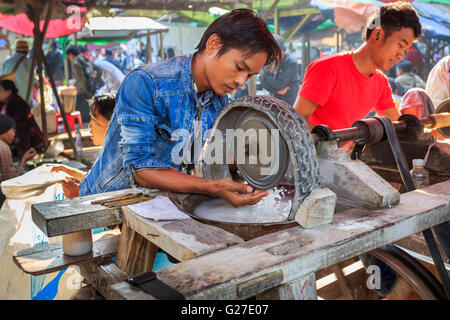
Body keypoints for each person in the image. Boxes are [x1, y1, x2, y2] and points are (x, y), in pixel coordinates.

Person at [78, 9, 282, 208]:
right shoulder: (146, 83)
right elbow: (141, 169)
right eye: (239, 67)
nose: (241, 81)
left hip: (156, 205)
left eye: (250, 76)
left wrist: (250, 160)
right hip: (103, 205)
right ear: (213, 45)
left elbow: (207, 159)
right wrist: (213, 187)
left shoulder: (218, 101)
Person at [294, 1, 422, 153]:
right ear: (377, 34)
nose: (401, 56)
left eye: (406, 50)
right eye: (400, 45)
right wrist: (331, 143)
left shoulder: (380, 83)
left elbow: (396, 126)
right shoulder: (328, 68)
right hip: (311, 159)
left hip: (342, 160)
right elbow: (296, 120)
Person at [50, 93, 116, 197]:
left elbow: (112, 203)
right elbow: (94, 179)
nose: (89, 126)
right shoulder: (108, 155)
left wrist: (76, 196)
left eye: (95, 121)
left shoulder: (121, 163)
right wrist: (67, 170)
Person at [0, 80, 45, 156]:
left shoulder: (18, 103)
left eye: (0, 91)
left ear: (9, 92)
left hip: (24, 139)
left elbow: (21, 123)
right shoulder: (3, 103)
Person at [0, 114, 36, 205]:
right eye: (12, 129)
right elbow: (10, 179)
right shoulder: (3, 148)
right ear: (4, 132)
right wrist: (23, 161)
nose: (14, 133)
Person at [259, 34, 300, 106]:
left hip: (290, 101)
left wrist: (265, 76)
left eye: (275, 52)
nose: (273, 55)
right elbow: (263, 82)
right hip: (275, 98)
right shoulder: (272, 60)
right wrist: (275, 90)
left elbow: (280, 85)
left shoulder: (291, 62)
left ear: (282, 50)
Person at [66, 45, 96, 123]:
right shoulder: (83, 59)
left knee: (82, 112)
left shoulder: (75, 63)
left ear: (71, 54)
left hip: (83, 90)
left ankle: (83, 126)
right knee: (88, 109)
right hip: (90, 87)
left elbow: (80, 78)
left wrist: (81, 89)